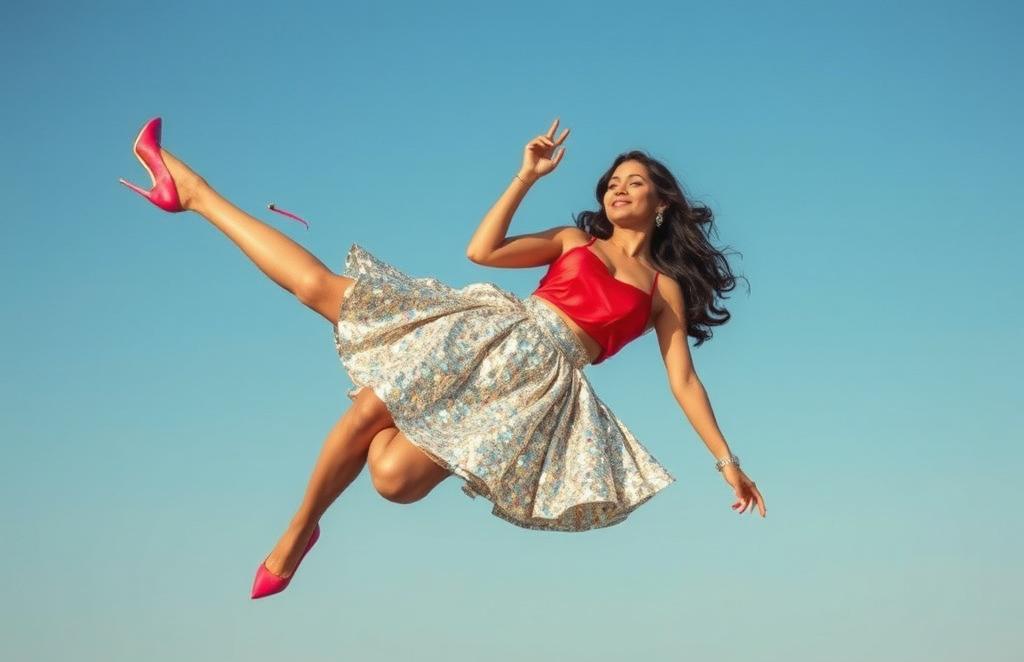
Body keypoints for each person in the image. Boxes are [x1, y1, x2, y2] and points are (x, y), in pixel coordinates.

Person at [119, 116, 765, 599]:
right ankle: (194, 190)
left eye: (636, 183)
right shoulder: (574, 241)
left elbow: (683, 379)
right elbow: (482, 252)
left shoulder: (661, 289)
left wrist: (726, 463)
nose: (619, 189)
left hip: (530, 391)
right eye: (613, 181)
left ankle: (389, 406)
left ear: (662, 203)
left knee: (393, 481)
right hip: (485, 334)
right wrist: (525, 177)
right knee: (320, 298)